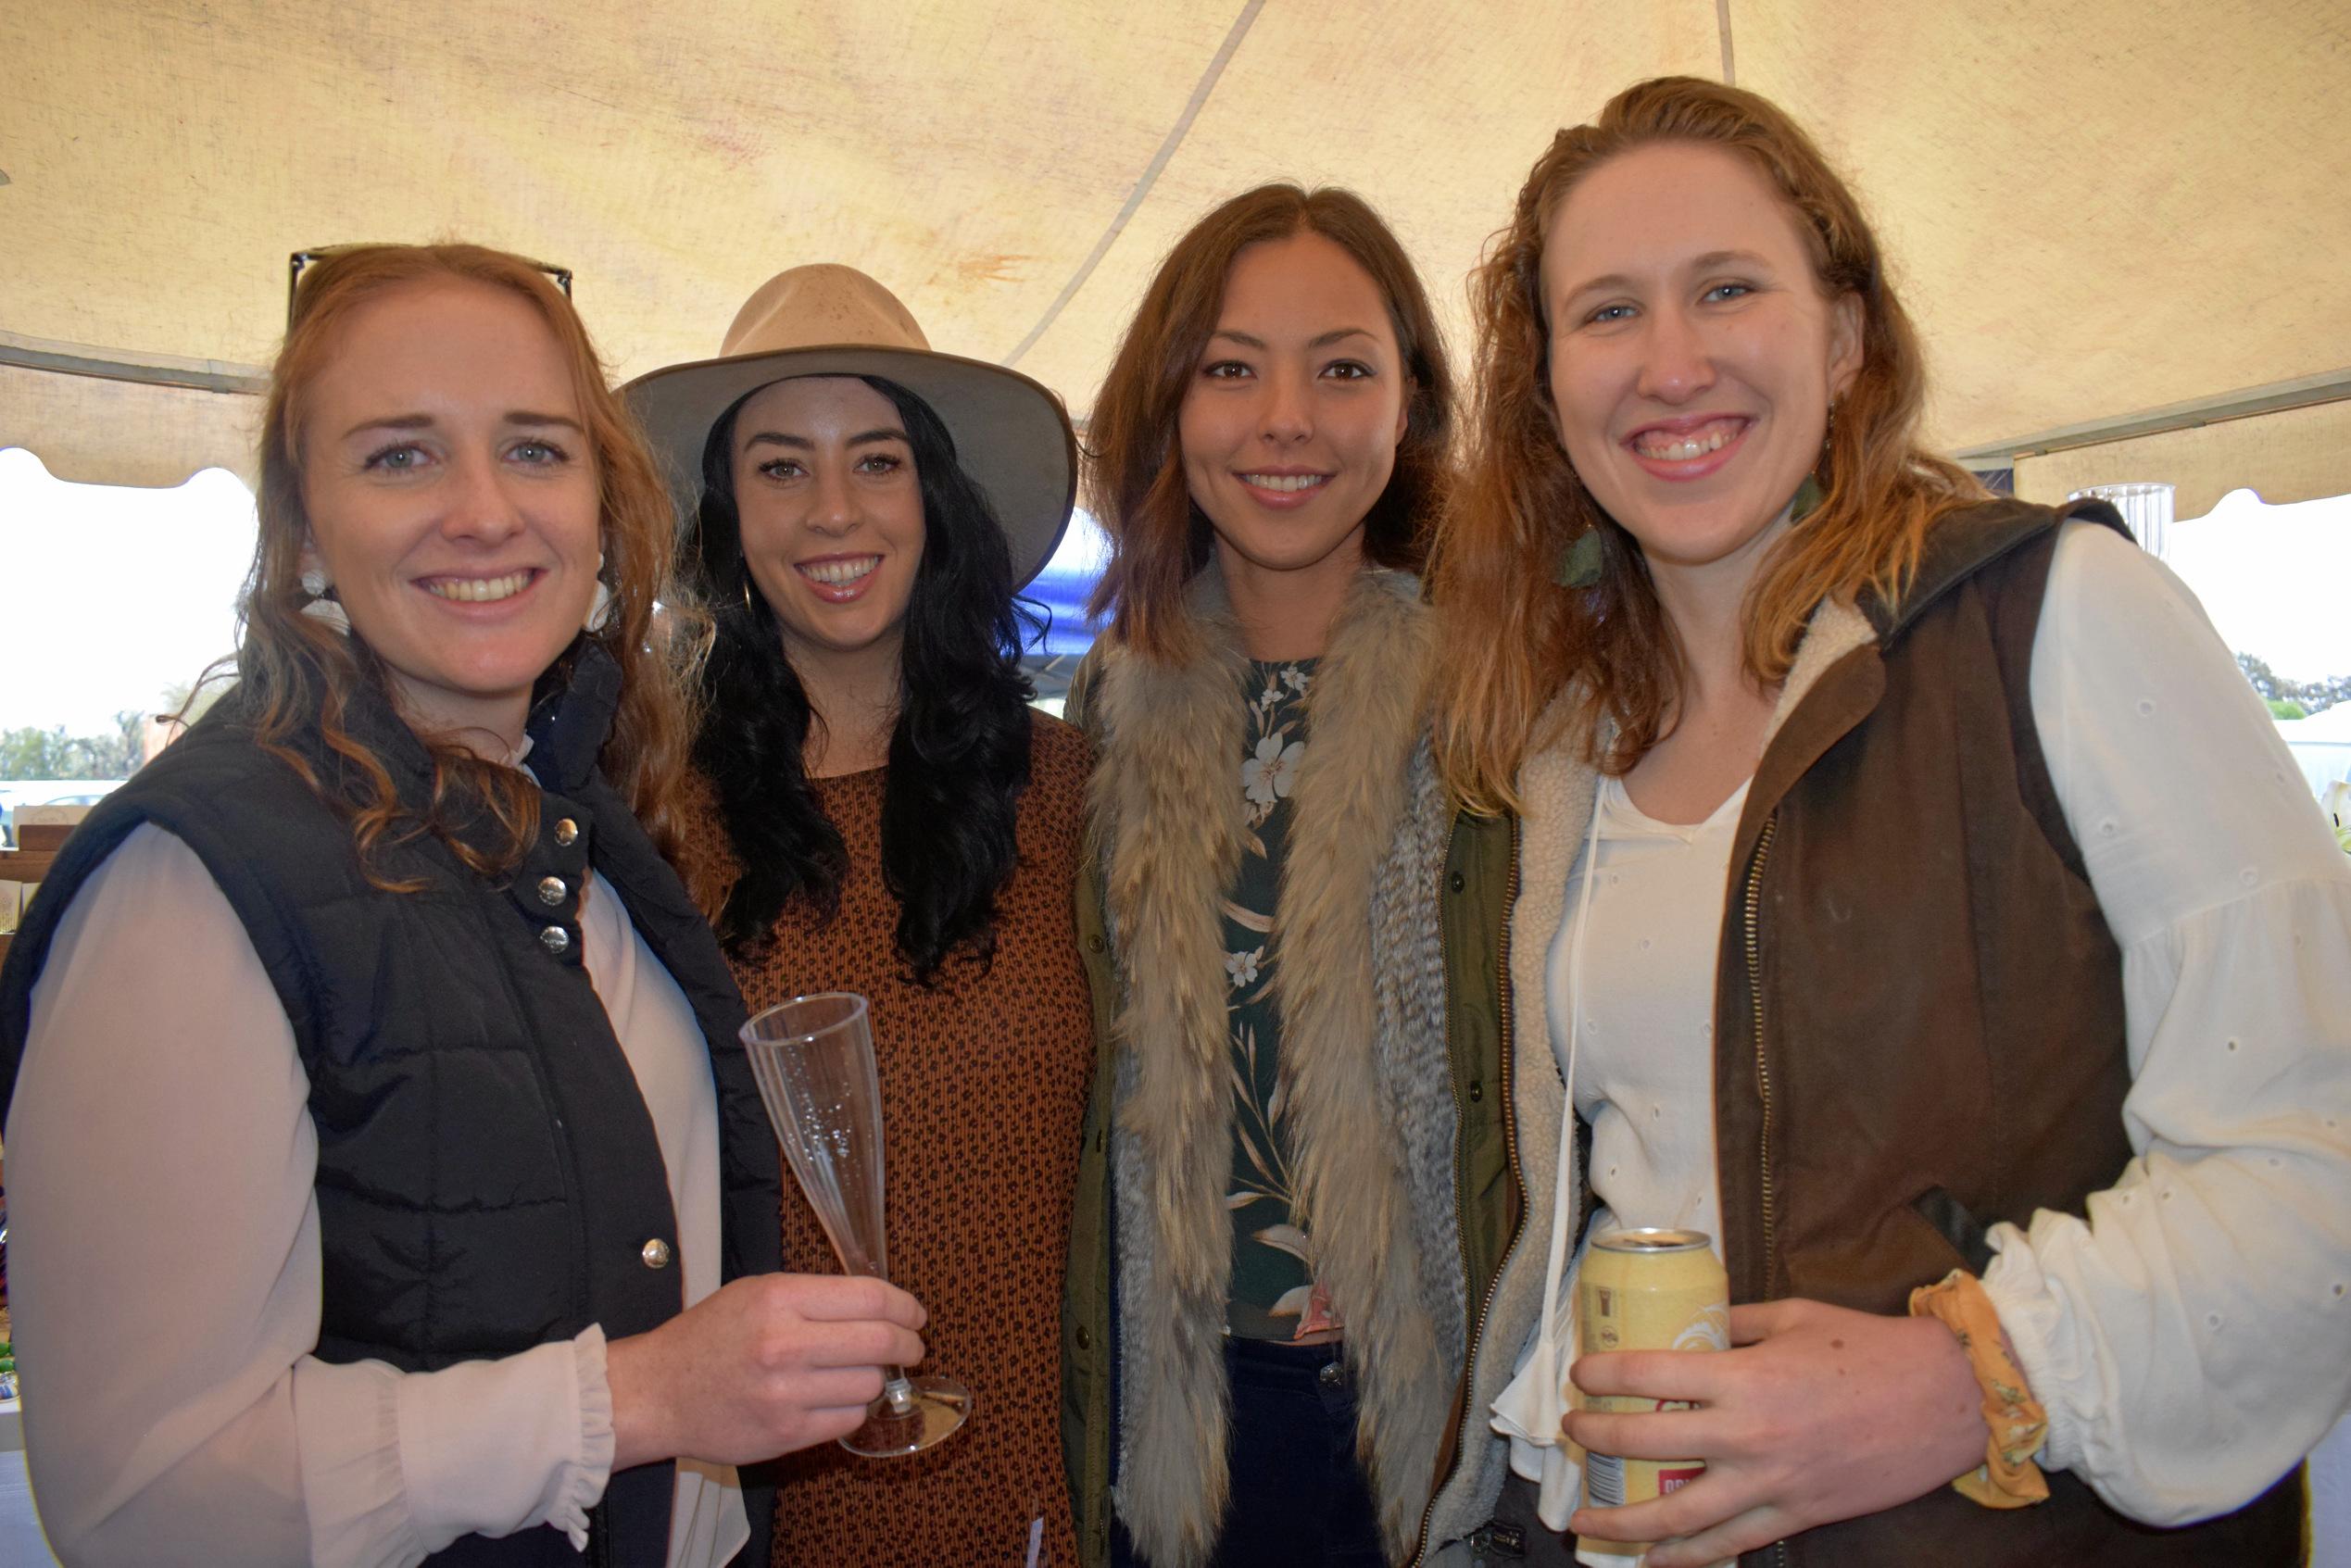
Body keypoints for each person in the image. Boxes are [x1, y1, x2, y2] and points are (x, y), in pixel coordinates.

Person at [1425, 76, 2351, 1566]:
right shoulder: (1559, 741)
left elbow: (2315, 1162)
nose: (1669, 364)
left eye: (1725, 288)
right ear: (1542, 386)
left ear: (1844, 337)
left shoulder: (2053, 616)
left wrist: (1972, 1375)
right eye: (1605, 313)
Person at [0, 243, 928, 1567]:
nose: (484, 511)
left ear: (604, 510)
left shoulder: (580, 831)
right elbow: (143, 1496)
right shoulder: (192, 880)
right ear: (304, 523)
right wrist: (647, 1395)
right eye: (401, 455)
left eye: (536, 450)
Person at [1062, 182, 1532, 1568]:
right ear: (1167, 408)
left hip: (1447, 1421)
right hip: (1170, 1421)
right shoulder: (1097, 722)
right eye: (1229, 368)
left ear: (1410, 408)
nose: (1285, 418)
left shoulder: (1509, 704)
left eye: (1341, 368)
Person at [623, 263, 1096, 1568]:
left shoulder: (1075, 797)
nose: (832, 510)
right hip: (750, 1505)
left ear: (934, 498)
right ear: (726, 513)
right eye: (779, 467)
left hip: (1039, 1485)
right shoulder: (650, 817)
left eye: (874, 460)